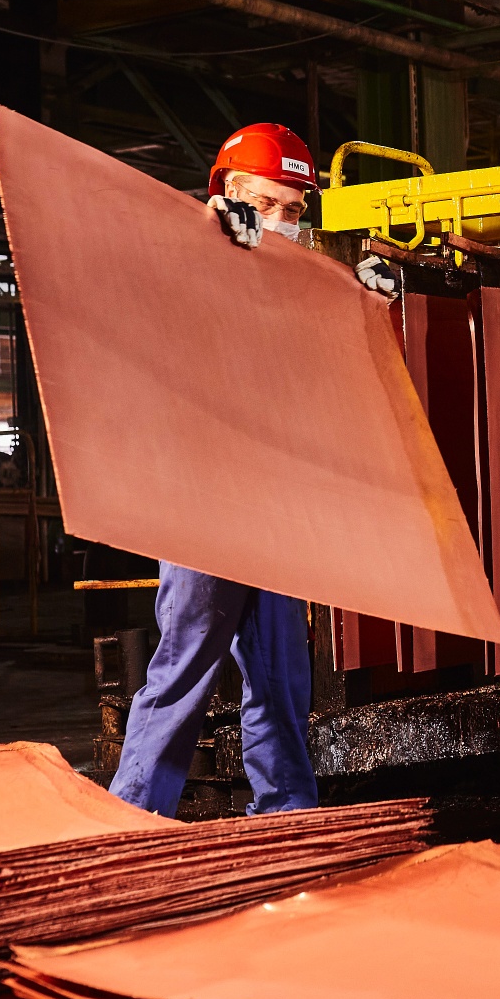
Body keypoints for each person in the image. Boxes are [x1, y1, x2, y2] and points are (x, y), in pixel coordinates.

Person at [108, 123, 322, 818]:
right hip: (202, 505)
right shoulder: (181, 266)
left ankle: (286, 815)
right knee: (184, 671)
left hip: (275, 509)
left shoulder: (287, 286)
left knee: (282, 677)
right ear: (228, 196)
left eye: (293, 211)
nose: (281, 223)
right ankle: (135, 822)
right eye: (265, 205)